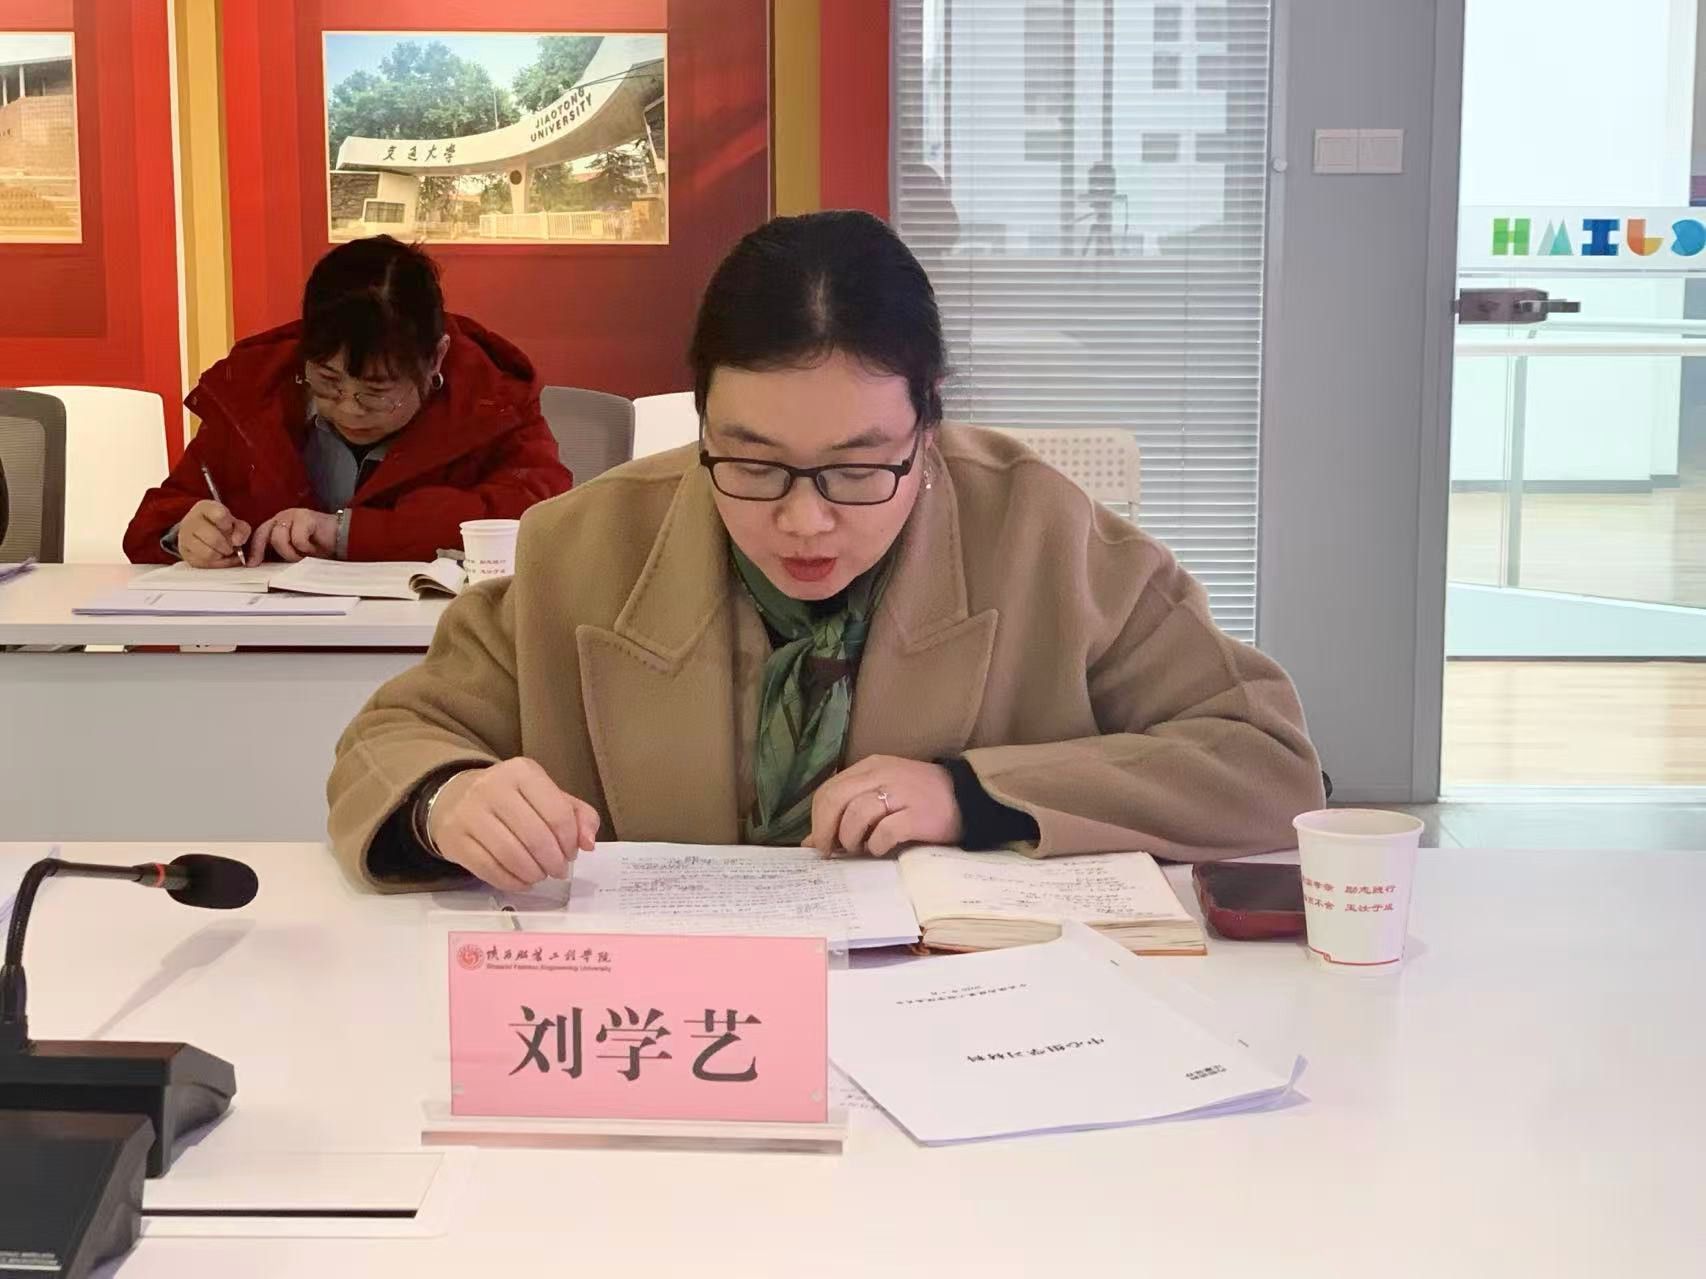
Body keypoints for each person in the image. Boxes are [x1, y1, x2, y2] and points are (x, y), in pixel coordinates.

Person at [326, 211, 1324, 893]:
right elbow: (394, 737)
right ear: (701, 419)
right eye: (752, 463)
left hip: (959, 1035)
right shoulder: (582, 546)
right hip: (674, 1038)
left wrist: (973, 794)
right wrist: (447, 796)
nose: (804, 521)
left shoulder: (1044, 536)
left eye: (856, 468)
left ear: (928, 421)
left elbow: (1262, 762)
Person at [123, 235, 572, 566]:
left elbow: (538, 518)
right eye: (327, 382)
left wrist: (345, 533)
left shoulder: (492, 401)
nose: (349, 408)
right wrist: (184, 531)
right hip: (274, 645)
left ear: (436, 358)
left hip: (431, 645)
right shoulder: (255, 391)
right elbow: (153, 520)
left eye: (377, 390)